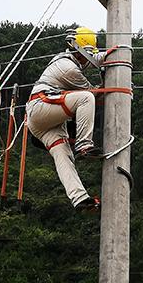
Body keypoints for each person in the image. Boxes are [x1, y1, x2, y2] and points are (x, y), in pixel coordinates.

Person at [25, 27, 105, 212]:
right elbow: (94, 95)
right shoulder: (68, 68)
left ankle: (79, 198)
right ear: (80, 51)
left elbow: (96, 58)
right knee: (86, 98)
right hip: (42, 106)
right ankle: (84, 144)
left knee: (64, 157)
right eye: (88, 54)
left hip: (44, 122)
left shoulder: (67, 61)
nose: (89, 60)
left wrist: (111, 53)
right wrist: (112, 85)